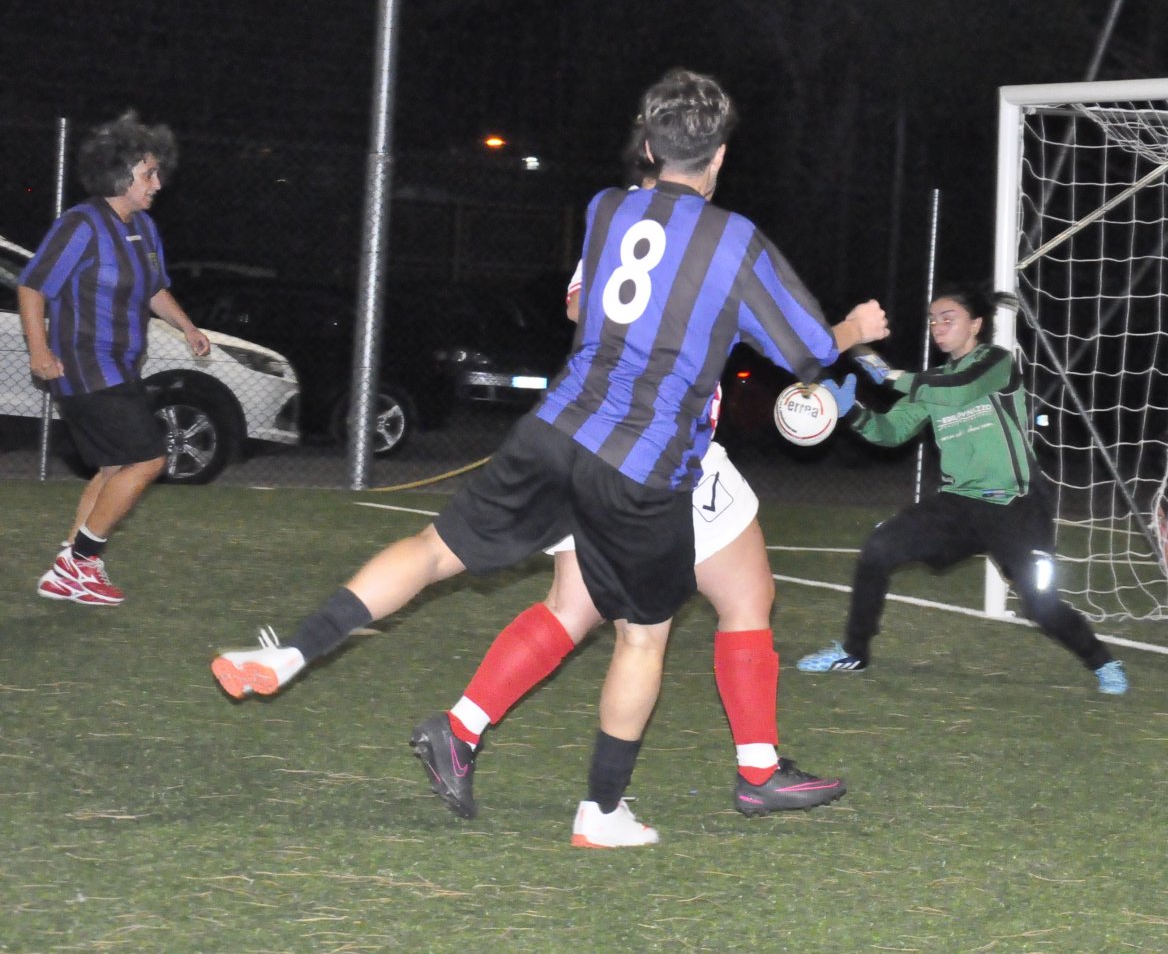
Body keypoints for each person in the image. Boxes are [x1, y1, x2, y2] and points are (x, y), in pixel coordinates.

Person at [211, 68, 888, 848]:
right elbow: (803, 349)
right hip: (645, 461)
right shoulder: (732, 239)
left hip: (555, 430)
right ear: (722, 155)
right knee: (645, 631)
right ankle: (607, 810)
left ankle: (296, 649)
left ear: (646, 142)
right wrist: (853, 329)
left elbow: (581, 303)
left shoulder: (605, 210)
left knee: (442, 554)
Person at [409, 122, 862, 825]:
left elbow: (579, 305)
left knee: (575, 605)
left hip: (588, 439)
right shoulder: (708, 236)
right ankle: (752, 772)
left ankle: (462, 729)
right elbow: (792, 339)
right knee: (738, 597)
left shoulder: (617, 219)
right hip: (658, 451)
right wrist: (848, 331)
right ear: (705, 159)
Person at [797, 284, 1128, 695]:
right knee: (878, 550)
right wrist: (852, 411)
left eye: (948, 318)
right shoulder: (931, 383)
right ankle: (854, 651)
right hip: (958, 504)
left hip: (1016, 505)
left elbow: (960, 388)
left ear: (976, 324)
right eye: (933, 320)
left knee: (1040, 604)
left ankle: (1103, 662)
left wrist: (880, 369)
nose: (938, 326)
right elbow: (891, 432)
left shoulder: (995, 363)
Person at [19, 112, 212, 606]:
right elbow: (32, 285)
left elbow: (155, 290)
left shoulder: (143, 229)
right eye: (148, 173)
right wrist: (39, 351)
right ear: (119, 174)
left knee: (112, 468)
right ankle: (80, 560)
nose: (157, 183)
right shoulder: (80, 225)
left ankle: (71, 564)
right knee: (149, 457)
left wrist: (188, 327)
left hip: (120, 366)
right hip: (81, 364)